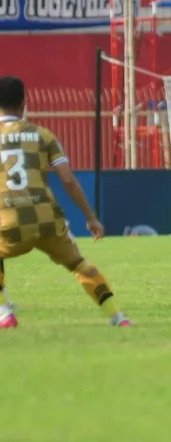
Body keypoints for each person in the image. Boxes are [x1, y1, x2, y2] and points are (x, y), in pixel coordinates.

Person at [0, 76, 131, 328]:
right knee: (79, 265)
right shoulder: (43, 135)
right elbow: (68, 181)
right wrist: (90, 217)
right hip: (47, 219)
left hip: (9, 223)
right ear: (23, 103)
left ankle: (5, 315)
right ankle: (118, 317)